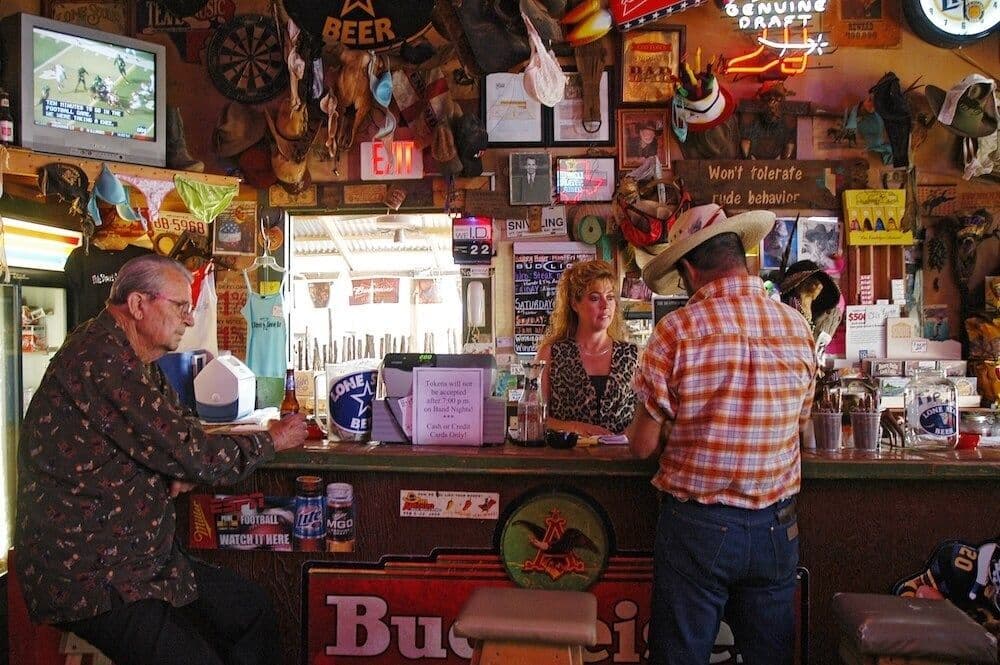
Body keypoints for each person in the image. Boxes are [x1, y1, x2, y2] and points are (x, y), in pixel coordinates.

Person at [14, 254, 308, 665]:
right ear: (138, 304)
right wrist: (272, 439)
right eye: (180, 306)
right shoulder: (103, 360)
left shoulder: (133, 357)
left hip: (143, 562)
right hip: (93, 576)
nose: (189, 319)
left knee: (249, 611)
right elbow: (196, 455)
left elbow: (180, 431)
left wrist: (178, 461)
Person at [626, 204, 817, 665]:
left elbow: (641, 445)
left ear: (690, 271)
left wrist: (680, 425)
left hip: (698, 528)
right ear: (741, 255)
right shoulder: (797, 327)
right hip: (775, 526)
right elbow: (801, 426)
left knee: (680, 657)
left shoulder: (676, 331)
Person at [536, 259, 638, 436]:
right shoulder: (551, 353)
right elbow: (536, 417)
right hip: (569, 453)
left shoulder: (633, 355)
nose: (605, 305)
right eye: (595, 298)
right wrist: (576, 428)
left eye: (610, 297)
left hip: (621, 453)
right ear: (574, 304)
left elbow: (646, 419)